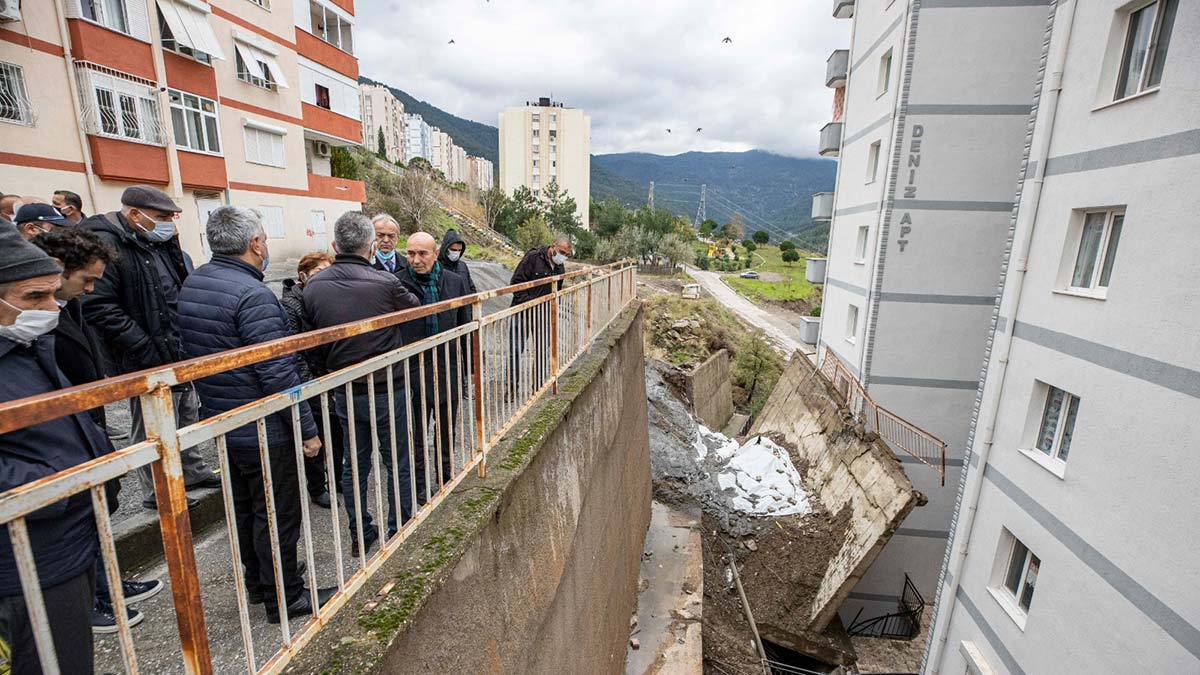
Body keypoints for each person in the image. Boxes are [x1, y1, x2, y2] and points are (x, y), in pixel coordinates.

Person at [177, 206, 334, 623]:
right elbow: (275, 368)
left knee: (247, 509)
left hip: (225, 421)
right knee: (278, 513)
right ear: (255, 243)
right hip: (264, 425)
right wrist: (305, 426)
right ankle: (287, 597)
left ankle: (259, 581)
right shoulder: (253, 294)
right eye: (263, 239)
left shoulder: (195, 282)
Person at [29, 228, 163, 634]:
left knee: (97, 512)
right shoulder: (39, 315)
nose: (90, 289)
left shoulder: (67, 306)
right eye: (86, 280)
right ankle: (91, 600)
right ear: (59, 270)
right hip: (56, 436)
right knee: (74, 521)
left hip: (86, 420)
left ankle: (108, 584)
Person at [0, 227, 110, 673]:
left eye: (52, 294)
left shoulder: (26, 345)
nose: (52, 309)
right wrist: (59, 487)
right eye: (33, 298)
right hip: (25, 552)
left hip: (65, 539)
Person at [82, 185, 219, 510]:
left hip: (175, 346)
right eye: (161, 217)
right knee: (151, 426)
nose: (169, 224)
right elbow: (98, 305)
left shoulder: (157, 241)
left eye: (171, 217)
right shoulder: (106, 243)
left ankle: (192, 470)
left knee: (184, 411)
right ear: (134, 214)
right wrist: (143, 345)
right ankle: (159, 490)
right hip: (141, 357)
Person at [302, 212, 420, 557]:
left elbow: (312, 336)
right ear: (371, 246)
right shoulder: (384, 282)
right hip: (388, 386)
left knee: (354, 463)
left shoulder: (314, 286)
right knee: (396, 459)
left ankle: (360, 532)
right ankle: (400, 526)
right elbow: (414, 309)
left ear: (336, 246)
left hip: (345, 389)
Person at [398, 232, 473, 500]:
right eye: (410, 254)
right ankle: (419, 486)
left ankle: (444, 477)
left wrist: (469, 367)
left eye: (422, 254)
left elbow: (465, 323)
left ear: (435, 253)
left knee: (445, 429)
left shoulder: (454, 281)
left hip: (446, 368)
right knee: (416, 434)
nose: (416, 260)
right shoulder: (398, 282)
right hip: (413, 371)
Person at [280, 252, 341, 509]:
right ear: (302, 276)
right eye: (317, 274)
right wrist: (311, 384)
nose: (322, 280)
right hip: (309, 380)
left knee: (337, 432)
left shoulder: (327, 299)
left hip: (330, 375)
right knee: (313, 433)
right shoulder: (290, 306)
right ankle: (317, 487)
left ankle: (338, 479)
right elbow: (293, 351)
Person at [508, 234, 572, 393]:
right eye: (561, 252)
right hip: (522, 313)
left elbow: (557, 291)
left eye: (566, 255)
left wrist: (551, 309)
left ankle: (537, 388)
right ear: (553, 246)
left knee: (542, 352)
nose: (563, 257)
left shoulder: (559, 268)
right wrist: (529, 303)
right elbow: (516, 282)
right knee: (515, 351)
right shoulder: (533, 258)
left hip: (542, 315)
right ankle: (511, 388)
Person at [437, 229, 477, 295]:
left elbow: (471, 288)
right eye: (453, 250)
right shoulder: (436, 267)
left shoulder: (462, 266)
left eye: (459, 250)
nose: (456, 253)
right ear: (445, 248)